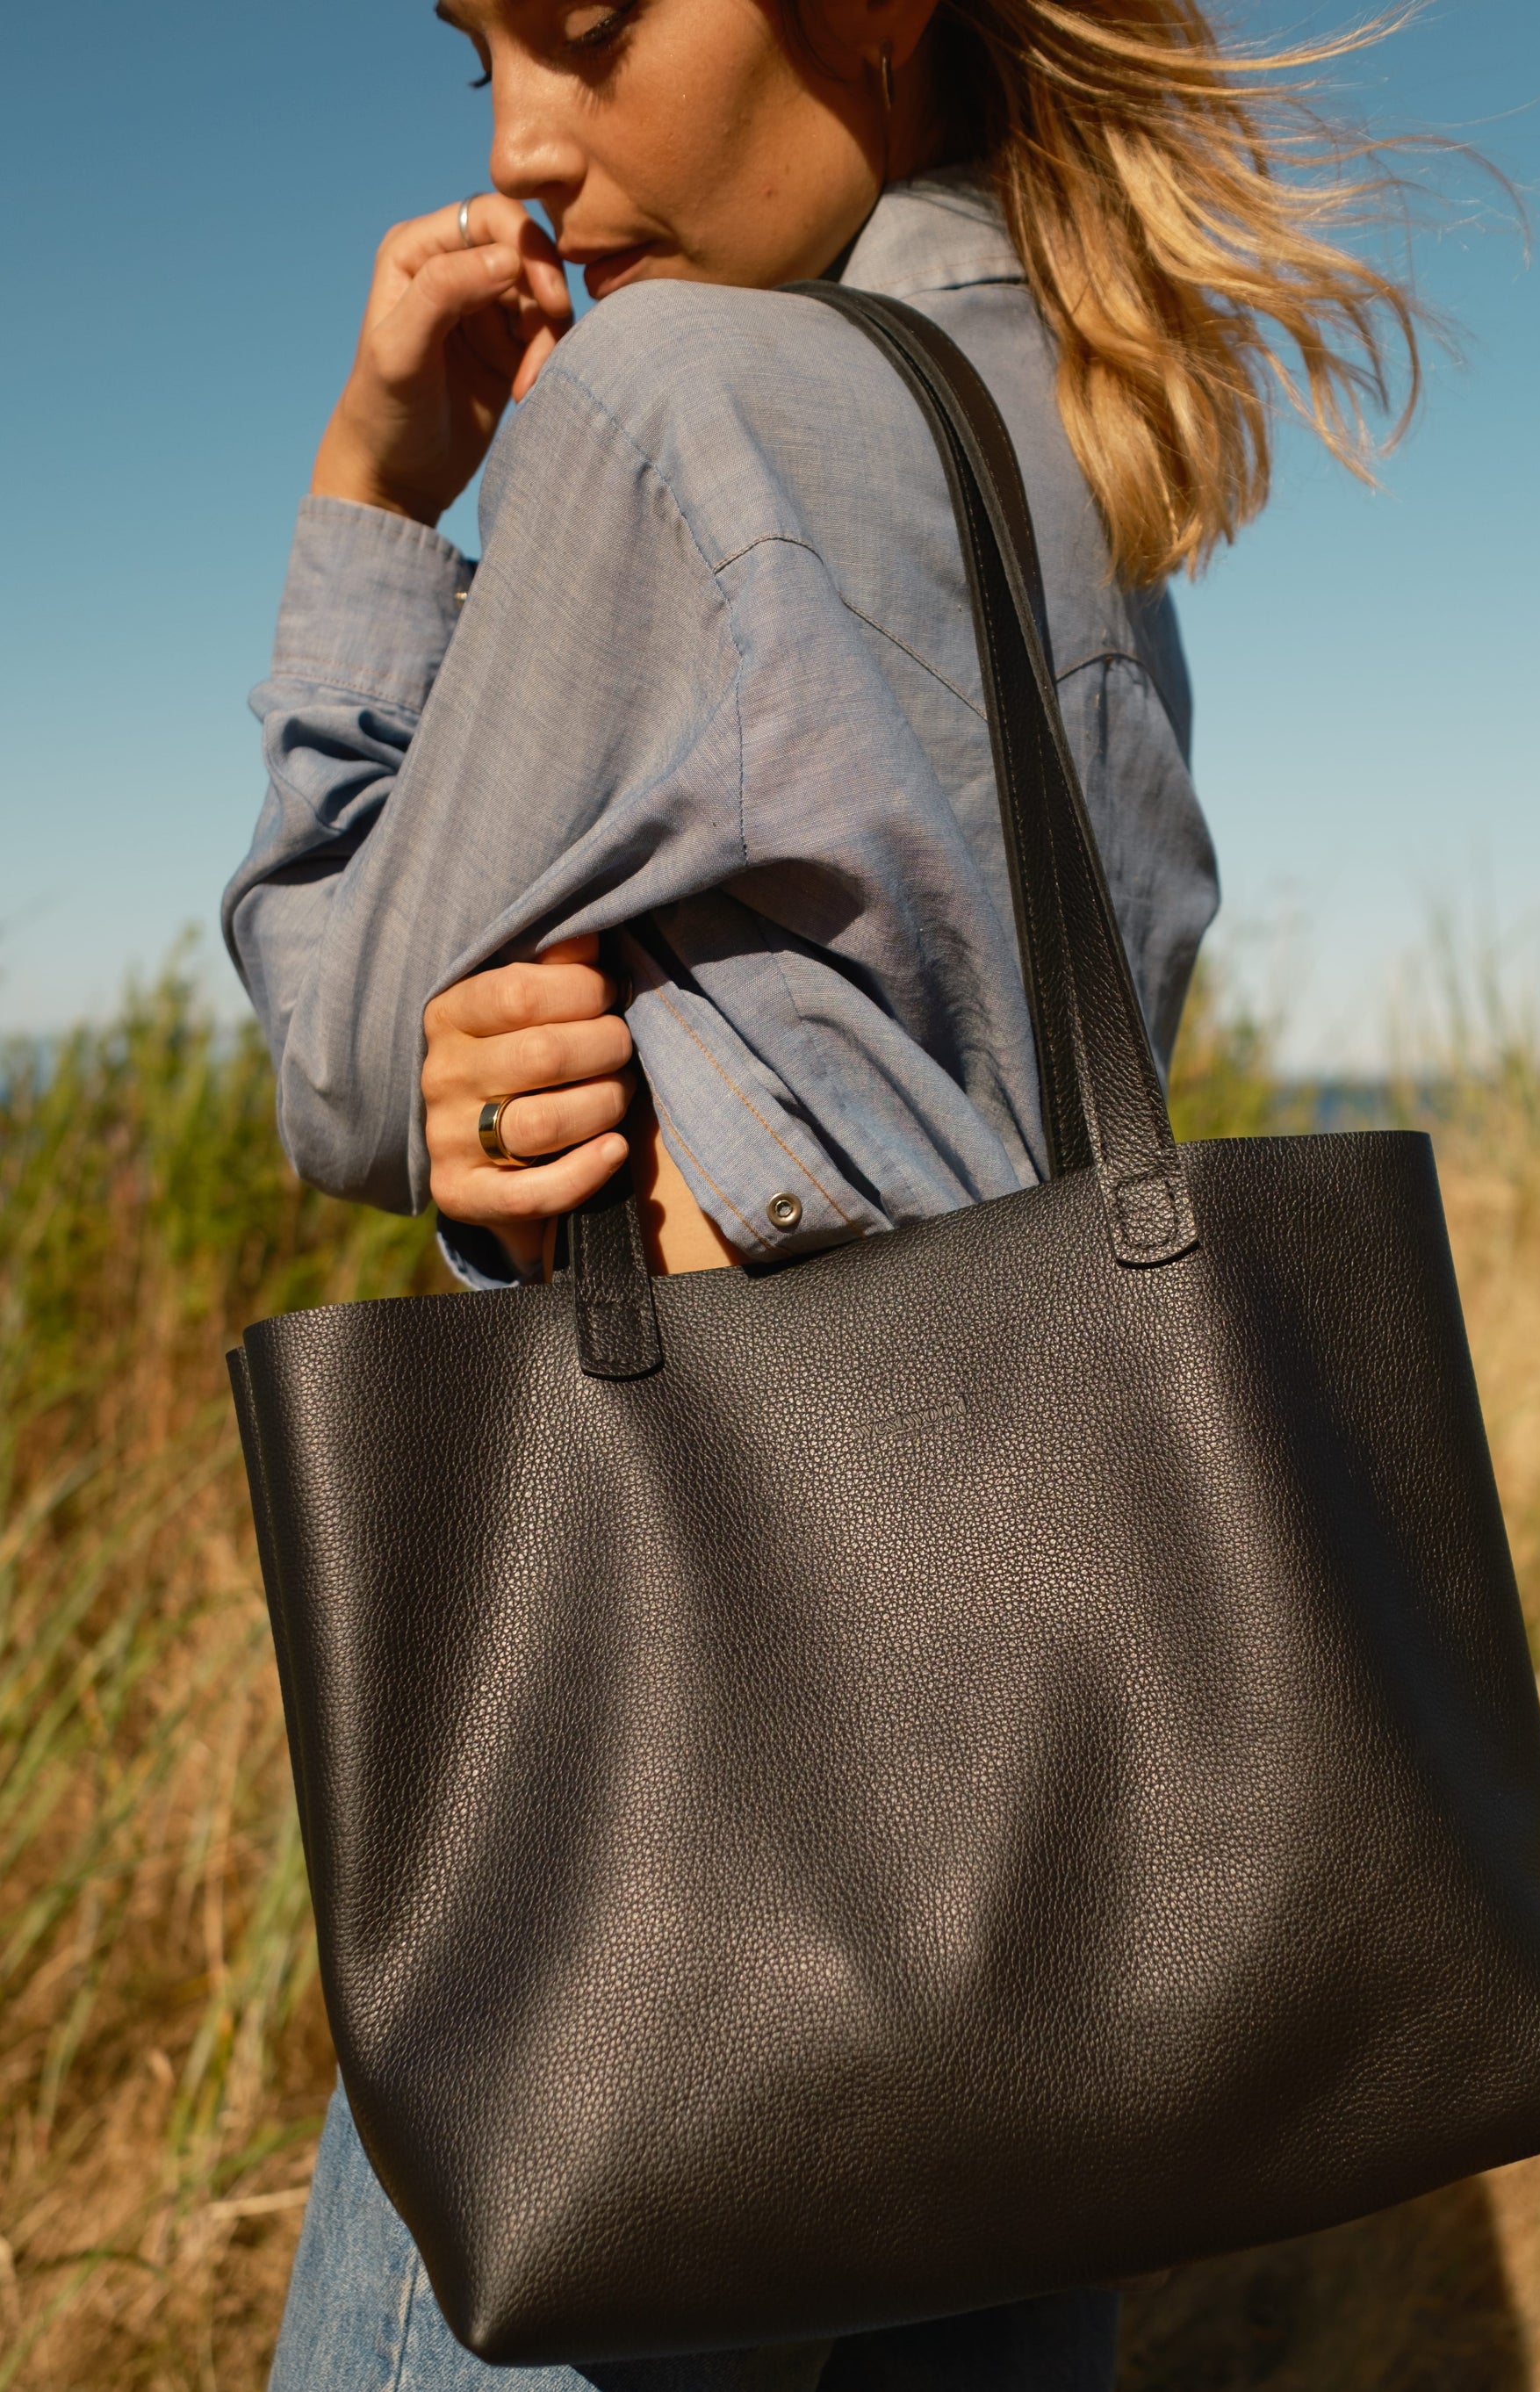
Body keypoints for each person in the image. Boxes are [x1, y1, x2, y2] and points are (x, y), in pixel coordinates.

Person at [226, 1, 1431, 2381]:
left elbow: (341, 1069)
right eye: (470, 62)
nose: (526, 153)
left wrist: (377, 487)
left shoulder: (672, 409)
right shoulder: (1065, 455)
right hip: (1079, 1859)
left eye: (577, 30)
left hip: (690, 1833)